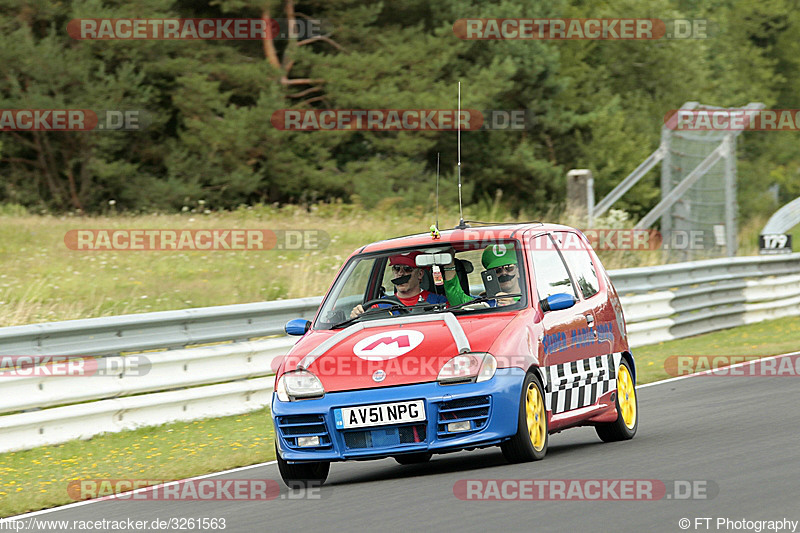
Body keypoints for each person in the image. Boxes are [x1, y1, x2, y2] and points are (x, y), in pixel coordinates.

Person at [350, 251, 448, 318]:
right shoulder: (380, 305)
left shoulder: (438, 302)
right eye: (397, 268)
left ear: (420, 274)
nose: (401, 273)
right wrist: (357, 315)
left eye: (407, 269)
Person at [442, 243, 521, 307]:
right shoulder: (485, 303)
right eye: (497, 270)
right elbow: (458, 301)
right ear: (490, 275)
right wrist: (449, 264)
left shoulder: (530, 300)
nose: (504, 273)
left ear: (518, 272)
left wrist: (514, 305)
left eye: (509, 268)